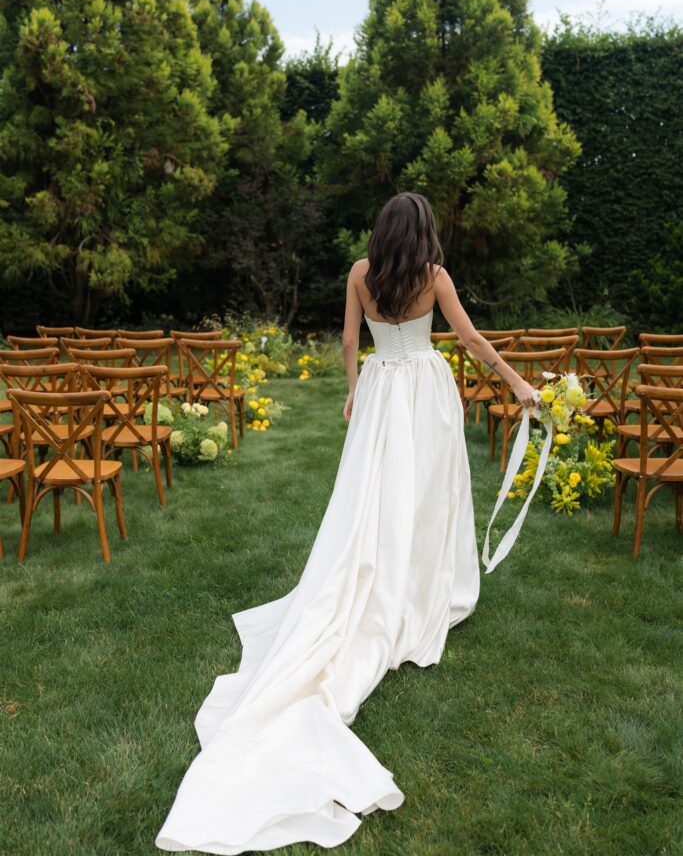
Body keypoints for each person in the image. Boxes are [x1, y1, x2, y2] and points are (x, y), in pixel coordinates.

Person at [155, 191, 536, 854]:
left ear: (382, 230)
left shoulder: (361, 273)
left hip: (385, 388)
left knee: (376, 494)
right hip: (423, 386)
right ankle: (417, 585)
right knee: (423, 495)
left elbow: (349, 340)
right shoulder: (434, 276)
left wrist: (355, 389)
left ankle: (388, 576)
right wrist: (516, 383)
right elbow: (469, 340)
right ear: (423, 232)